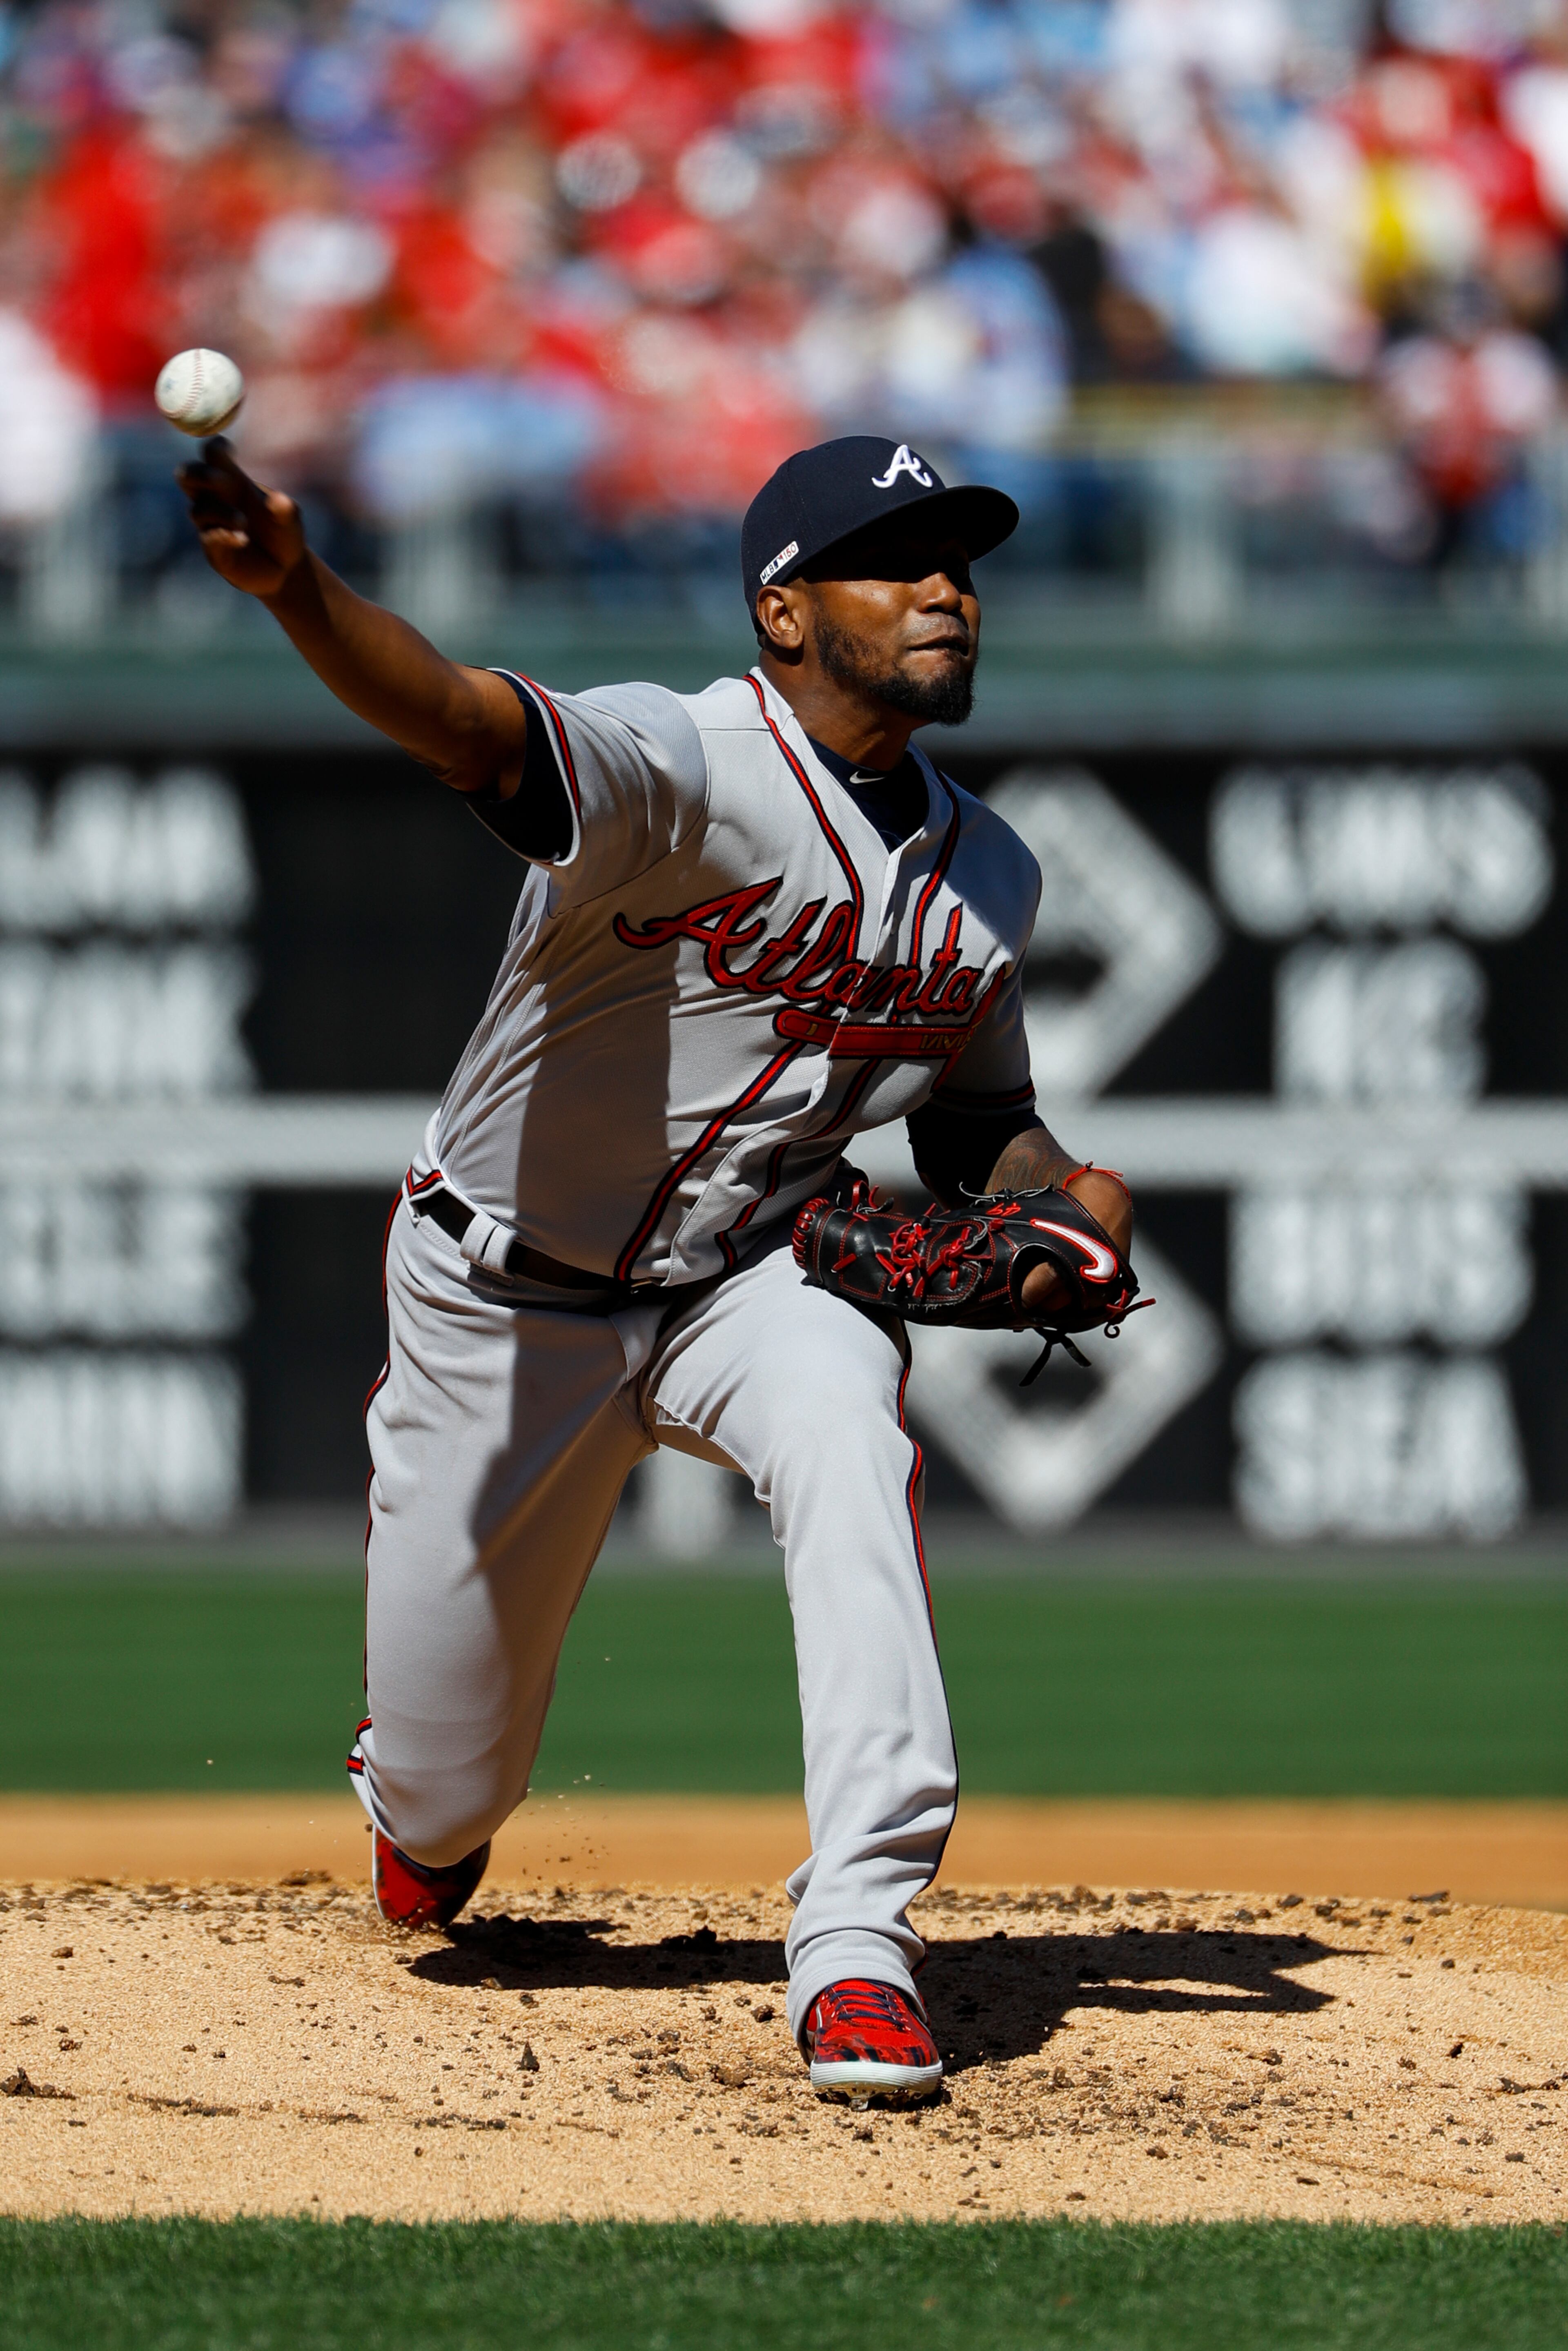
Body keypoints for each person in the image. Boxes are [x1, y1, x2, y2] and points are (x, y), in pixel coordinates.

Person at [177, 430, 1134, 2104]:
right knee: (440, 1797)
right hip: (503, 1297)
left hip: (749, 1280)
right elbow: (465, 723)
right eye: (893, 560)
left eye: (959, 563)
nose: (943, 591)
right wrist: (301, 592)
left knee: (848, 1414)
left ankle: (857, 1940)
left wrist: (1069, 1201)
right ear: (781, 608)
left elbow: (984, 1133)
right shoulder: (673, 763)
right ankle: (423, 1811)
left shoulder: (995, 876)